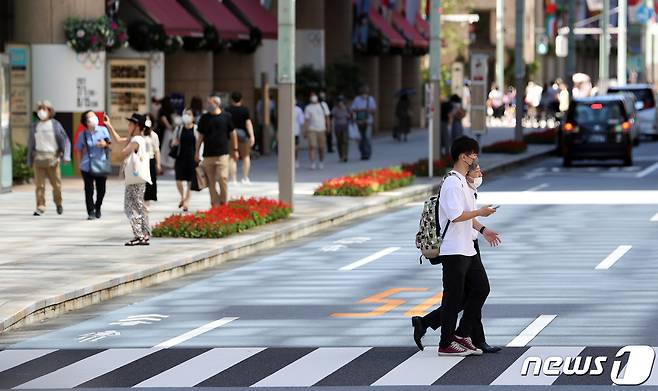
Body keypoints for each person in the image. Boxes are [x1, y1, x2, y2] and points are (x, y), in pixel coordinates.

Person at [411, 162, 502, 354]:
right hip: (457, 246)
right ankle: (464, 337)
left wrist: (484, 231)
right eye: (477, 170)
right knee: (471, 292)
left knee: (472, 292)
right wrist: (480, 213)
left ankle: (435, 325)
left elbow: (469, 218)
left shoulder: (467, 187)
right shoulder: (455, 185)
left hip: (469, 244)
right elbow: (457, 216)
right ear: (466, 171)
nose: (480, 173)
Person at [105, 113, 152, 246]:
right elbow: (119, 139)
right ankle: (145, 234)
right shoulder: (138, 138)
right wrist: (109, 125)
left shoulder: (136, 140)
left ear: (137, 126)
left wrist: (110, 146)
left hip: (134, 179)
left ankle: (139, 235)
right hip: (137, 179)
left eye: (131, 123)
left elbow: (124, 151)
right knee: (139, 205)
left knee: (130, 207)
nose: (128, 125)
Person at [26, 100, 71, 216]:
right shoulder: (35, 126)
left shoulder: (55, 125)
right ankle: (40, 206)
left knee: (56, 185)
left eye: (44, 109)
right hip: (39, 158)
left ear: (50, 111)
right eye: (40, 109)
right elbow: (31, 143)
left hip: (53, 159)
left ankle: (58, 203)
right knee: (39, 185)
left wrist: (66, 156)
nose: (41, 111)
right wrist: (29, 160)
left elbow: (65, 140)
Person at [195, 95, 239, 206]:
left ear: (217, 103)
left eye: (210, 103)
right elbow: (200, 136)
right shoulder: (204, 118)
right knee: (211, 182)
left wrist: (235, 149)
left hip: (222, 155)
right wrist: (196, 152)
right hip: (208, 155)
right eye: (207, 103)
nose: (207, 105)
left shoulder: (226, 116)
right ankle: (215, 203)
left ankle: (224, 201)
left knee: (222, 178)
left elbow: (233, 133)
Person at [76, 110, 111, 220]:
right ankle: (90, 211)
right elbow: (78, 149)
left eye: (94, 116)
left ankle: (98, 206)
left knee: (101, 189)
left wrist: (104, 144)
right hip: (87, 166)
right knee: (89, 189)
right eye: (91, 117)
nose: (94, 118)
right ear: (86, 121)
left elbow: (109, 143)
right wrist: (79, 163)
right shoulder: (83, 134)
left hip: (101, 163)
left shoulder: (103, 130)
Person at [171, 108, 198, 212]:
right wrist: (175, 143)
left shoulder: (196, 129)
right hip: (180, 157)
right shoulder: (179, 129)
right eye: (185, 114)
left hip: (192, 157)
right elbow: (173, 142)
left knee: (190, 181)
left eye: (189, 114)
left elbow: (199, 143)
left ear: (193, 117)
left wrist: (199, 157)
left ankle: (187, 201)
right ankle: (182, 197)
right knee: (178, 180)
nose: (187, 116)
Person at [226, 91, 255, 184]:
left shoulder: (227, 109)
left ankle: (233, 179)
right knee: (246, 157)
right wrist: (252, 135)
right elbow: (248, 123)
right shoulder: (245, 110)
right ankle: (245, 177)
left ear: (231, 99)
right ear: (241, 99)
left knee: (231, 157)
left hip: (230, 136)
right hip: (243, 136)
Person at [304, 92, 331, 170]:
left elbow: (327, 117)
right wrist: (305, 130)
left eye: (314, 96)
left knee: (322, 147)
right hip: (312, 129)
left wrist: (328, 126)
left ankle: (321, 161)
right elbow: (306, 120)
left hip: (322, 129)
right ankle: (312, 163)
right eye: (311, 96)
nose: (313, 98)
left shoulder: (323, 105)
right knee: (312, 146)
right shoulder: (308, 107)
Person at [351, 85, 377, 160]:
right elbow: (353, 109)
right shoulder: (357, 99)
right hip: (359, 122)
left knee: (367, 138)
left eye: (366, 93)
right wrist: (360, 110)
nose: (364, 95)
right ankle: (363, 153)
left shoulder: (370, 99)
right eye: (363, 93)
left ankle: (368, 153)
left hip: (368, 122)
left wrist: (368, 110)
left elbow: (374, 110)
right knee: (360, 139)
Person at [143, 115, 161, 209]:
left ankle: (147, 201)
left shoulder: (153, 135)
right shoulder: (139, 134)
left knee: (150, 182)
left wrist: (158, 164)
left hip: (150, 159)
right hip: (141, 160)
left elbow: (157, 150)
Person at [331, 95, 351, 162]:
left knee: (345, 141)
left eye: (341, 101)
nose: (340, 103)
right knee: (339, 142)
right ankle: (341, 156)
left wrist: (347, 113)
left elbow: (350, 115)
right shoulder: (335, 108)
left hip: (345, 126)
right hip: (338, 127)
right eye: (339, 101)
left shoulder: (347, 108)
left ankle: (345, 156)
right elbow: (332, 115)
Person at [293, 99, 305, 169]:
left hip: (295, 131)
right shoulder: (285, 109)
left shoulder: (298, 110)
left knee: (295, 148)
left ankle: (296, 160)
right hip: (287, 132)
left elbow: (301, 121)